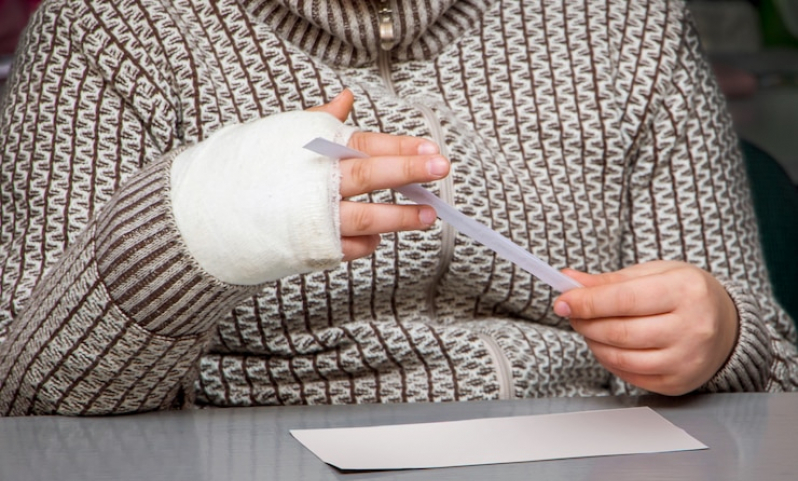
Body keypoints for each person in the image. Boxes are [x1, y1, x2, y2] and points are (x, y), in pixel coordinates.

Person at [0, 0, 795, 416]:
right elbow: (28, 400)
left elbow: (777, 373)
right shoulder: (107, 29)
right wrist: (195, 228)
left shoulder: (630, 23)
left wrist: (721, 338)